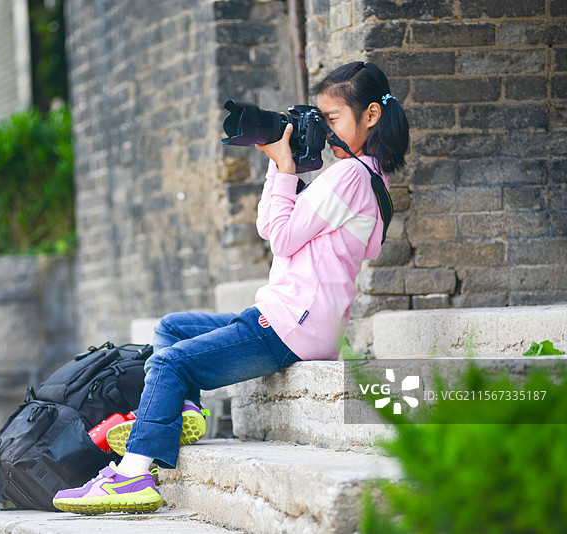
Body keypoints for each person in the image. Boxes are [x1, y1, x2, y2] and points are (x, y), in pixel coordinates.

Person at [52, 61, 410, 515]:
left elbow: (277, 234)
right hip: (295, 318)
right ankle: (180, 415)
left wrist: (283, 170)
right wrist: (285, 168)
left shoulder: (351, 176)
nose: (324, 131)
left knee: (169, 363)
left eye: (332, 120)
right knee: (172, 328)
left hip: (289, 325)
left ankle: (132, 475)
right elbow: (277, 226)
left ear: (372, 116)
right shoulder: (371, 178)